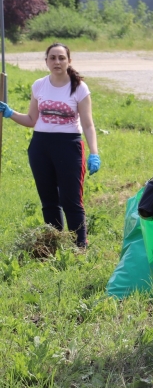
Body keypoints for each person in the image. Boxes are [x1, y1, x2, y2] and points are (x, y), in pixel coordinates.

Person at [0, 42, 100, 248]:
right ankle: (53, 244)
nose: (57, 62)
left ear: (68, 61)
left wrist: (94, 153)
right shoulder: (39, 85)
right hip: (40, 147)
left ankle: (79, 247)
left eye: (61, 58)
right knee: (48, 200)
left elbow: (88, 125)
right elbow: (31, 119)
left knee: (71, 200)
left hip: (69, 146)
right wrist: (10, 113)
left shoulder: (79, 88)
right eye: (52, 58)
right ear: (46, 61)